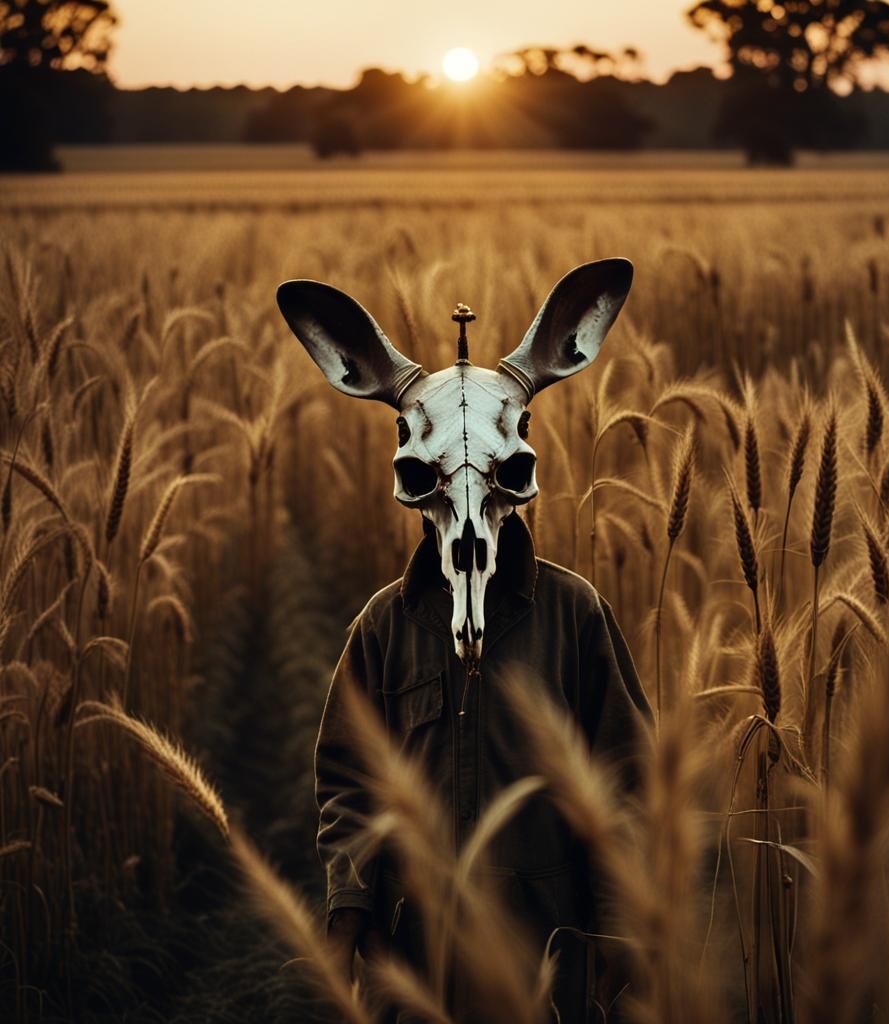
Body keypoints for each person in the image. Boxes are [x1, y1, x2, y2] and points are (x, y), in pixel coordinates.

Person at [277, 259, 653, 1022]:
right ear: (411, 484)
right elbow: (348, 776)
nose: (471, 532)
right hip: (416, 961)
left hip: (548, 955)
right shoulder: (382, 628)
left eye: (504, 479)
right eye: (431, 482)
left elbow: (625, 777)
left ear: (524, 476)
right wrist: (350, 905)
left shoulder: (576, 616)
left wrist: (619, 925)